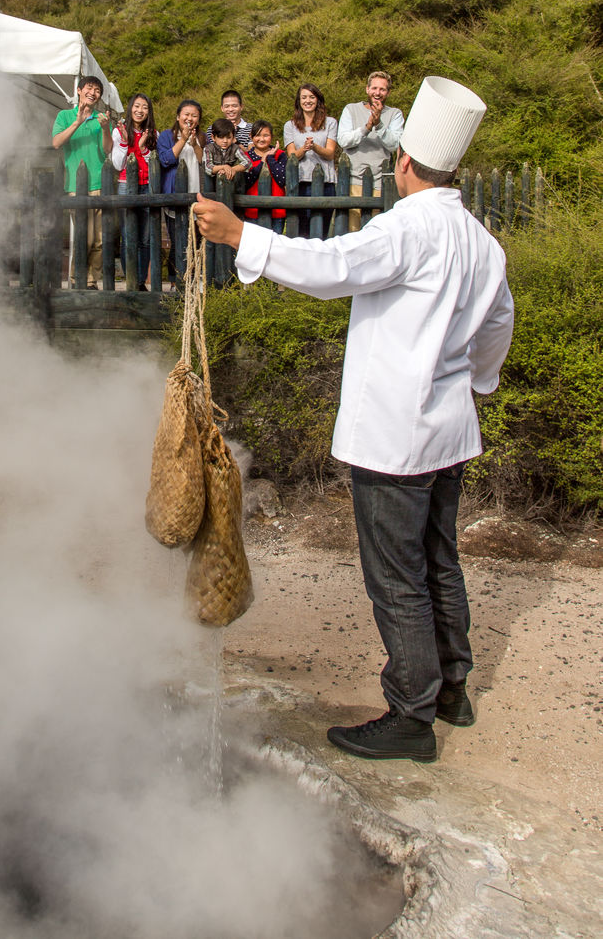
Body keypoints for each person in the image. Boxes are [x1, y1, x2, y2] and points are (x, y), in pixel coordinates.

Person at [193, 76, 514, 763]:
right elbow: (500, 322)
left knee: (396, 575)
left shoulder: (407, 227)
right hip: (448, 430)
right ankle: (452, 687)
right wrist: (477, 383)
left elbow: (333, 264)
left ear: (403, 163)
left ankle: (411, 714)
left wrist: (241, 236)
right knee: (438, 561)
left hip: (395, 436)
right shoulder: (482, 241)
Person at [51, 75, 112, 289]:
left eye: (97, 90)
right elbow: (57, 143)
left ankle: (91, 281)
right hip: (76, 186)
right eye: (89, 88)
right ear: (79, 90)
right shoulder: (65, 115)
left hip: (99, 184)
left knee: (99, 240)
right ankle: (77, 278)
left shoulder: (101, 118)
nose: (93, 92)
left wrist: (105, 128)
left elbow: (107, 150)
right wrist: (77, 121)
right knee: (84, 237)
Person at [338, 72, 403, 229]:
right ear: (367, 89)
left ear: (388, 92)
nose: (378, 93)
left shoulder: (395, 114)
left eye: (382, 89)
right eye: (374, 88)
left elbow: (395, 144)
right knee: (353, 230)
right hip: (353, 180)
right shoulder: (351, 109)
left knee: (376, 230)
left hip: (381, 182)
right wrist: (367, 128)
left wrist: (379, 125)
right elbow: (343, 140)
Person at [112, 92, 157, 290]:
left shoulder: (153, 133)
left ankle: (140, 281)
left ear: (149, 112)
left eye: (144, 107)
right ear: (130, 108)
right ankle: (130, 278)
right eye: (137, 106)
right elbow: (117, 164)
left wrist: (141, 147)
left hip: (147, 185)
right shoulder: (119, 130)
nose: (140, 111)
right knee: (128, 234)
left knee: (145, 238)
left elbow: (154, 164)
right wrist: (124, 142)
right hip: (125, 185)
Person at [157, 99, 205, 287]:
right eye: (186, 114)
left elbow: (203, 162)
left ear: (198, 119)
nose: (189, 118)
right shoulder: (166, 136)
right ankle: (175, 280)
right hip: (175, 197)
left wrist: (194, 144)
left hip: (197, 196)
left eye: (194, 115)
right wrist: (183, 139)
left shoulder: (202, 137)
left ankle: (194, 278)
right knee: (177, 240)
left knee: (197, 239)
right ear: (178, 117)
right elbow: (166, 160)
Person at [283, 83, 338, 238]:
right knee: (303, 231)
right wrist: (305, 148)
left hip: (326, 182)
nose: (308, 101)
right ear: (299, 101)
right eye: (304, 97)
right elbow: (292, 156)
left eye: (311, 97)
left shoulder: (330, 122)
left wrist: (315, 147)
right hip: (301, 182)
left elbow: (330, 153)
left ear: (317, 100)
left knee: (322, 230)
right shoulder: (290, 126)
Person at [243, 120, 287, 234]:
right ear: (251, 137)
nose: (261, 139)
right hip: (252, 209)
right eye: (257, 135)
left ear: (271, 137)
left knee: (275, 246)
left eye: (266, 135)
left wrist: (270, 158)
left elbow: (282, 179)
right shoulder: (246, 157)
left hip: (277, 209)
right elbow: (247, 181)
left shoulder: (280, 155)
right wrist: (262, 161)